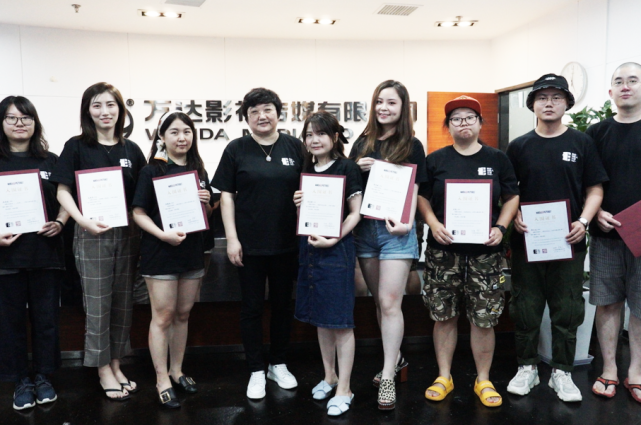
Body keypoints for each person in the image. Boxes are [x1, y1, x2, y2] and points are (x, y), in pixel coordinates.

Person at [506, 74, 607, 402]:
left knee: (567, 308)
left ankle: (562, 371)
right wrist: (514, 214)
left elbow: (595, 189)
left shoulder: (582, 143)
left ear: (567, 103)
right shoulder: (519, 146)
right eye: (542, 98)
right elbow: (508, 192)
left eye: (556, 97)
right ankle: (527, 367)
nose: (548, 103)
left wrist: (583, 220)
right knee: (526, 306)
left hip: (568, 241)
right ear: (532, 104)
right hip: (527, 242)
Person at [418, 96, 519, 407]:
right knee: (443, 315)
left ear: (480, 123)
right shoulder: (435, 160)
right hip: (443, 252)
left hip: (486, 253)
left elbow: (512, 196)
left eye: (469, 117)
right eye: (456, 118)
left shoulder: (497, 158)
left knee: (484, 318)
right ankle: (444, 376)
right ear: (448, 126)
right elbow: (422, 197)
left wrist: (501, 227)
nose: (463, 123)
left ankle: (483, 379)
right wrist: (433, 223)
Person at [50, 82, 147, 400]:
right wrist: (82, 221)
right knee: (98, 304)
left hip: (128, 233)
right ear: (87, 111)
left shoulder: (132, 150)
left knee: (123, 303)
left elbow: (143, 193)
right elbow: (62, 190)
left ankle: (117, 362)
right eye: (97, 105)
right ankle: (102, 366)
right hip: (91, 233)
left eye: (110, 105)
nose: (105, 111)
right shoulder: (77, 146)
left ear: (120, 109)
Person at [212, 88, 303, 399]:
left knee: (282, 306)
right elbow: (226, 196)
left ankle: (278, 364)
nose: (261, 116)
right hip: (248, 246)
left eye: (267, 110)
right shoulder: (236, 149)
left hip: (287, 243)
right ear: (246, 117)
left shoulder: (295, 146)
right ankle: (255, 370)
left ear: (278, 113)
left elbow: (314, 186)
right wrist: (232, 239)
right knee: (251, 308)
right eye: (254, 112)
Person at [349, 80, 428, 410]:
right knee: (379, 303)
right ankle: (395, 361)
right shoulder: (362, 142)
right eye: (380, 101)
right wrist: (355, 168)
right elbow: (349, 186)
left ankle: (387, 376)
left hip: (396, 230)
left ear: (403, 108)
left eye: (391, 103)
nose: (384, 107)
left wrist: (408, 222)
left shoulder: (412, 144)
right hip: (365, 230)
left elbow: (415, 188)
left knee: (390, 301)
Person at [132, 111, 213, 408]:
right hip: (161, 252)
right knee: (163, 316)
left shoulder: (198, 170)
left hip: (191, 253)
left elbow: (205, 215)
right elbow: (138, 213)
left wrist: (208, 203)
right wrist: (162, 235)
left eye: (187, 132)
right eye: (175, 132)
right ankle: (161, 379)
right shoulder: (151, 171)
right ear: (162, 137)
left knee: (182, 314)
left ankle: (177, 371)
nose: (182, 138)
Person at [0, 96, 68, 410]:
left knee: (46, 320)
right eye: (12, 118)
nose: (20, 124)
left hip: (45, 254)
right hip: (7, 259)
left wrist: (60, 222)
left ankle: (43, 376)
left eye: (26, 118)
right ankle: (20, 380)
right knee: (10, 323)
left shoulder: (50, 161)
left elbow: (67, 198)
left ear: (35, 123)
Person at [292, 111, 363, 416]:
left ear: (335, 137)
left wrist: (334, 239)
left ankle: (345, 388)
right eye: (309, 135)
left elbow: (356, 213)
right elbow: (305, 219)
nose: (314, 139)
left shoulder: (347, 167)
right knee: (322, 319)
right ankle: (329, 376)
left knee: (341, 322)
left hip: (337, 252)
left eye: (321, 133)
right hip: (309, 251)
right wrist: (299, 205)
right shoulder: (307, 170)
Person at [586, 62, 641, 403]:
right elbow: (586, 182)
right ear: (610, 92)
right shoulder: (596, 132)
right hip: (606, 234)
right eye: (619, 81)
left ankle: (636, 371)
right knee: (607, 303)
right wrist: (597, 213)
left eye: (633, 80)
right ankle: (609, 369)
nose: (626, 86)